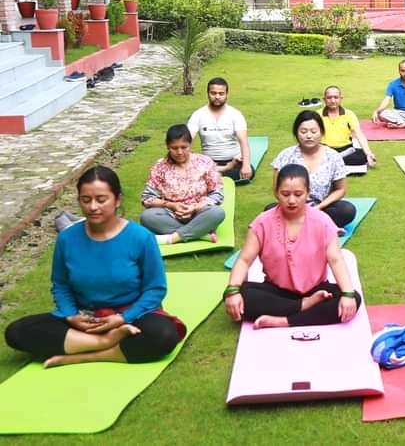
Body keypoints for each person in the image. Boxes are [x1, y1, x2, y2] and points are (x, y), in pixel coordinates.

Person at [5, 166, 183, 368]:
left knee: (162, 335)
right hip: (86, 318)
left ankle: (83, 354)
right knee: (16, 332)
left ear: (117, 200)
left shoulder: (141, 238)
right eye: (86, 200)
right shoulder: (67, 238)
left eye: (101, 199)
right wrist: (71, 315)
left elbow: (155, 289)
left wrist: (122, 318)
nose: (92, 207)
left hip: (131, 316)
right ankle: (105, 343)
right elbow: (61, 285)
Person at [224, 164, 360, 328]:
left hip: (316, 290)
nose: (292, 200)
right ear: (276, 193)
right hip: (276, 292)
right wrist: (233, 291)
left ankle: (283, 321)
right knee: (237, 294)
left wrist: (347, 294)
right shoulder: (262, 222)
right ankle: (303, 306)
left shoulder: (322, 221)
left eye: (298, 194)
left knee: (353, 298)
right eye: (285, 194)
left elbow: (336, 260)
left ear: (308, 193)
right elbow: (244, 260)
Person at [139, 124, 227, 246]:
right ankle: (200, 233)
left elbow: (217, 193)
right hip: (171, 215)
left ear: (190, 145)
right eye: (174, 148)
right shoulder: (160, 166)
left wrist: (195, 207)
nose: (179, 152)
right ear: (167, 146)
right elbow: (147, 198)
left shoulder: (205, 162)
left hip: (199, 212)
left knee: (217, 213)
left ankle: (172, 238)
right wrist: (173, 205)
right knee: (147, 217)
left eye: (184, 147)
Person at [269, 111, 356, 228]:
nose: (309, 136)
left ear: (321, 132)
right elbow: (277, 189)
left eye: (313, 131)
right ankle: (317, 225)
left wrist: (319, 207)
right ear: (296, 133)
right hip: (292, 206)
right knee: (269, 210)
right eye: (303, 132)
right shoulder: (286, 155)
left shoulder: (333, 156)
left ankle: (304, 224)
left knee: (347, 210)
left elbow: (341, 189)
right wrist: (294, 205)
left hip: (322, 208)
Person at [186, 77, 252, 181]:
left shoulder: (235, 114)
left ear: (226, 95)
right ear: (208, 93)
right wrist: (190, 157)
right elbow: (187, 140)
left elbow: (243, 141)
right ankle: (215, 174)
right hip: (208, 162)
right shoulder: (198, 115)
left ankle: (212, 176)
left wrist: (246, 165)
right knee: (192, 170)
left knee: (247, 172)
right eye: (213, 93)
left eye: (221, 94)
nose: (217, 97)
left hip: (234, 161)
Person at [320, 85, 377, 174]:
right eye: (329, 98)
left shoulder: (349, 114)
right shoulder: (317, 114)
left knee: (362, 157)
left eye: (336, 97)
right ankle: (336, 163)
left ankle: (332, 164)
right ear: (324, 99)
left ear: (341, 99)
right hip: (325, 150)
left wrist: (368, 153)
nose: (333, 100)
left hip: (345, 150)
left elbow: (359, 134)